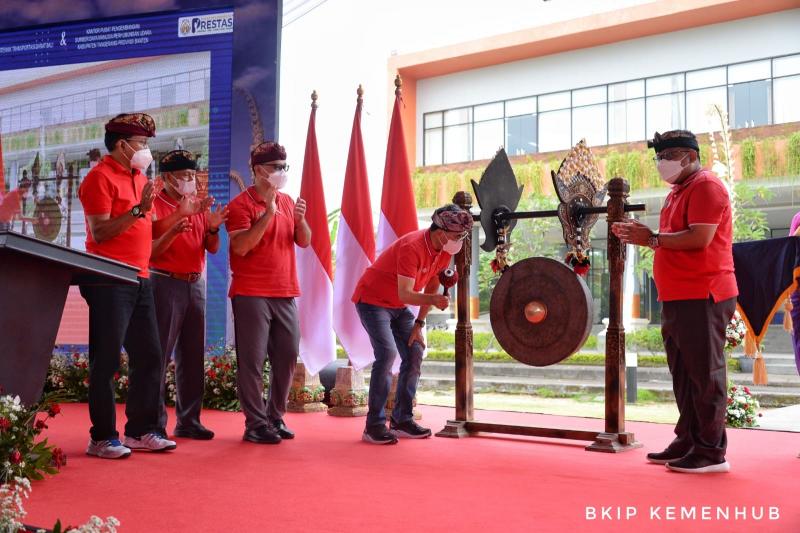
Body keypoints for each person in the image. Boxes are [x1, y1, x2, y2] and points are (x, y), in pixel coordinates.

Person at [612, 129, 738, 474]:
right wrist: (648, 237)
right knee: (683, 375)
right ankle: (689, 439)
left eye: (665, 158)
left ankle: (711, 452)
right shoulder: (678, 192)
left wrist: (651, 238)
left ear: (687, 156)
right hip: (679, 296)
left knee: (705, 373)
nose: (661, 165)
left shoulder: (706, 186)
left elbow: (700, 237)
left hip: (703, 293)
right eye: (659, 159)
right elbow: (670, 240)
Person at [78, 113, 176, 459]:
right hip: (108, 278)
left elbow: (145, 230)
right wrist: (138, 210)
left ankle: (140, 430)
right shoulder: (98, 178)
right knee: (105, 362)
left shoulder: (139, 177)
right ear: (122, 145)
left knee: (150, 356)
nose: (146, 151)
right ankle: (102, 437)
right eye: (142, 144)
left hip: (141, 277)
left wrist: (181, 215)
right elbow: (101, 231)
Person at [353, 204, 473, 445]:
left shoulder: (445, 251)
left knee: (415, 350)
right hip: (372, 300)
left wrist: (419, 323)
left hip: (398, 306)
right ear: (440, 232)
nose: (460, 240)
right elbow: (407, 293)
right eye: (457, 235)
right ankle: (374, 426)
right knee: (386, 353)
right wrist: (433, 301)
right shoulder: (412, 247)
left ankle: (401, 419)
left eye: (463, 235)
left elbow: (431, 284)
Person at [227, 141, 310, 444]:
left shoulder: (288, 201)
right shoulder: (240, 205)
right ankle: (255, 424)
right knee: (252, 360)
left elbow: (304, 241)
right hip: (251, 292)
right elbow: (241, 246)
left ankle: (275, 416)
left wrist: (299, 220)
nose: (281, 171)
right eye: (275, 167)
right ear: (258, 170)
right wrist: (267, 215)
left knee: (287, 354)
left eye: (284, 166)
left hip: (285, 290)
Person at [150, 150, 229, 440]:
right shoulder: (156, 206)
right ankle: (154, 424)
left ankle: (189, 421)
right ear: (167, 178)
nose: (189, 181)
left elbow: (213, 248)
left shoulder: (196, 205)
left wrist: (211, 227)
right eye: (183, 176)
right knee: (159, 355)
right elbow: (151, 249)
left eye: (193, 176)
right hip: (164, 283)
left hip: (195, 284)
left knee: (192, 356)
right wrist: (175, 223)